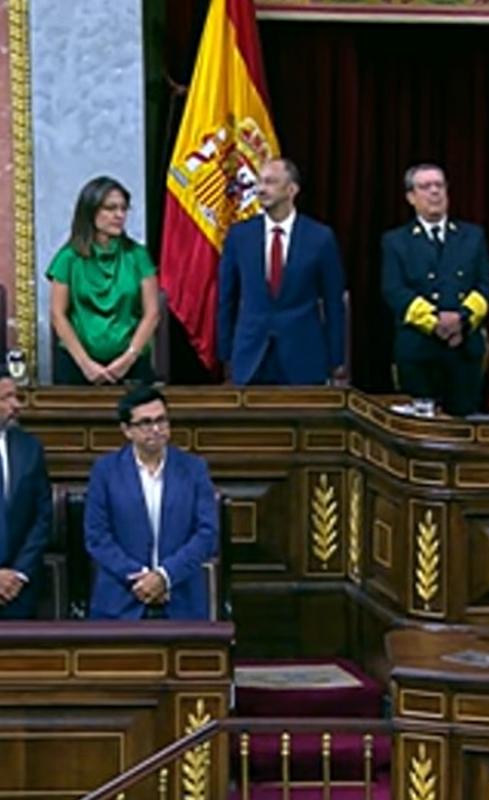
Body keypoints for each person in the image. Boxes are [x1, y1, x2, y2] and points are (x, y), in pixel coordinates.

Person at [85, 385, 217, 620]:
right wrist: (140, 578)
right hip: (120, 600)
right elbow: (97, 537)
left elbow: (207, 534)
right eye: (145, 423)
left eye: (162, 420)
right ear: (127, 430)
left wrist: (165, 577)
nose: (156, 429)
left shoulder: (194, 469)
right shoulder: (105, 471)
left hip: (182, 600)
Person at [217, 158, 347, 385]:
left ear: (291, 190)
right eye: (259, 182)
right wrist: (226, 353)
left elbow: (334, 303)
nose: (260, 189)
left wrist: (336, 359)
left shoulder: (320, 237)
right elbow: (226, 299)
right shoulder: (240, 236)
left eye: (270, 182)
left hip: (304, 357)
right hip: (251, 356)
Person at [381, 163, 489, 416]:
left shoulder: (472, 236)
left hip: (463, 347)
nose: (435, 192)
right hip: (419, 349)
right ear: (411, 197)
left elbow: (485, 286)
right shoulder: (396, 241)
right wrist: (435, 323)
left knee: (464, 426)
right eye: (425, 187)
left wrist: (461, 320)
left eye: (439, 185)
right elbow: (394, 290)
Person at [47, 176, 159, 385]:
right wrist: (85, 364)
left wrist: (129, 357)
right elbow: (58, 314)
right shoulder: (68, 258)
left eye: (123, 209)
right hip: (77, 363)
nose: (119, 215)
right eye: (110, 208)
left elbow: (152, 314)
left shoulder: (137, 255)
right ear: (90, 212)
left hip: (131, 362)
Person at [0, 370, 52, 620]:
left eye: (16, 396)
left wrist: (18, 573)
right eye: (6, 398)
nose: (16, 405)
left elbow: (42, 517)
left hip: (19, 588)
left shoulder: (30, 448)